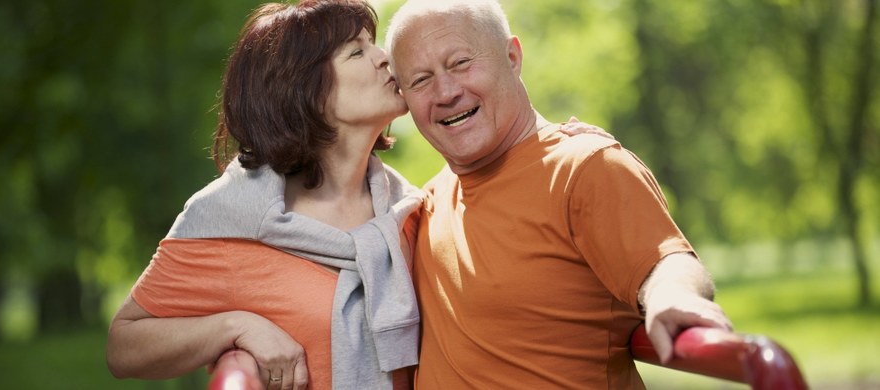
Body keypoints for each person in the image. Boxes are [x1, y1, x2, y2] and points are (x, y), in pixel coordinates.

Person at [384, 0, 733, 388]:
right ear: (402, 100)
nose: (446, 92)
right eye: (420, 80)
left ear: (512, 57)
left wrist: (673, 297)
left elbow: (665, 263)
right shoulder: (423, 203)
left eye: (461, 63)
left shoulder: (584, 167)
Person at [106, 1, 424, 389]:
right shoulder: (231, 216)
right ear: (304, 89)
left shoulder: (411, 211)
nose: (383, 58)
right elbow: (124, 345)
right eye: (357, 51)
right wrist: (235, 326)